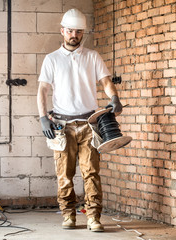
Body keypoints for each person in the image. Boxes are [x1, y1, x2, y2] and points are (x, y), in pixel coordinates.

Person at [37, 9, 122, 232]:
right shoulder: (52, 59)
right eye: (70, 30)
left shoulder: (92, 56)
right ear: (62, 31)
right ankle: (69, 215)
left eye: (78, 31)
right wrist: (42, 118)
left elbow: (105, 81)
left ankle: (94, 217)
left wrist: (113, 97)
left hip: (89, 125)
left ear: (82, 32)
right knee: (64, 175)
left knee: (91, 173)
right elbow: (43, 90)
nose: (74, 34)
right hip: (62, 127)